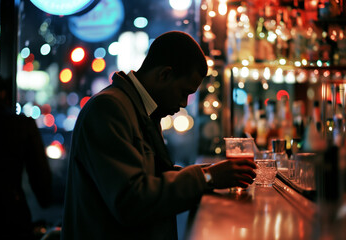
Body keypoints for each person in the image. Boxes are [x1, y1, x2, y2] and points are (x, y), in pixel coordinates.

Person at [61, 31, 256, 240]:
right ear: (164, 75)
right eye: (184, 92)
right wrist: (208, 177)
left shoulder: (139, 108)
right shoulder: (108, 108)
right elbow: (131, 200)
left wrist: (210, 172)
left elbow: (151, 176)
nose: (183, 104)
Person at [0, 73, 52, 240]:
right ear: (2, 94)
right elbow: (40, 175)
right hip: (11, 214)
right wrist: (45, 198)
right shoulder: (21, 125)